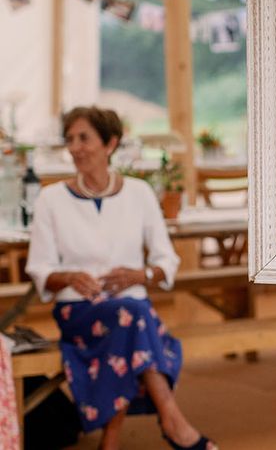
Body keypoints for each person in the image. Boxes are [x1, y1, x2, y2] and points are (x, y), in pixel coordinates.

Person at [26, 106, 218, 450]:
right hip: (80, 314)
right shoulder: (50, 199)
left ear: (110, 143)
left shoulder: (139, 194)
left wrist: (140, 274)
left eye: (85, 138)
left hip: (130, 314)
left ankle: (111, 440)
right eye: (70, 139)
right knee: (135, 318)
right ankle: (173, 421)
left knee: (129, 319)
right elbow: (40, 269)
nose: (75, 147)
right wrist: (68, 276)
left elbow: (166, 261)